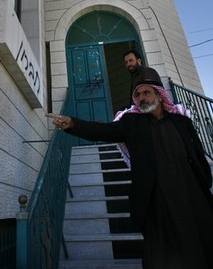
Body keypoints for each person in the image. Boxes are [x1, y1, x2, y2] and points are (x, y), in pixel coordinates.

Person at [46, 79, 213, 269]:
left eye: (146, 93)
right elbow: (102, 131)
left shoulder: (181, 121)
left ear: (159, 95)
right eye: (138, 95)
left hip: (191, 194)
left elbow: (198, 153)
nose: (141, 98)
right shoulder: (132, 123)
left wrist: (204, 180)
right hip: (157, 199)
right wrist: (72, 124)